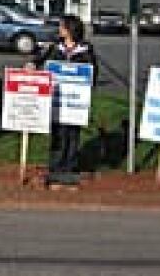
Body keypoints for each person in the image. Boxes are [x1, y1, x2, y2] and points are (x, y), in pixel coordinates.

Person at [27, 14, 97, 188]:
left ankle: (70, 168)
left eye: (62, 26)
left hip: (74, 102)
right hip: (57, 99)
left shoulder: (85, 50)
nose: (59, 29)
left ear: (70, 29)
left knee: (73, 133)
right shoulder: (55, 47)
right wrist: (32, 65)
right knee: (58, 133)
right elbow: (39, 59)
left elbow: (91, 72)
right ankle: (55, 167)